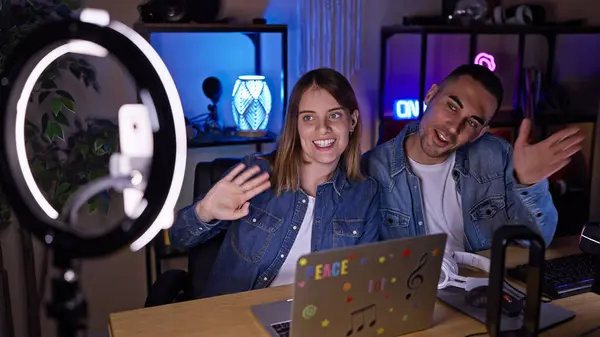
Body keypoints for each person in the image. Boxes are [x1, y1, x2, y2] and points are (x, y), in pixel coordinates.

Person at [169, 68, 382, 298]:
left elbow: (361, 283)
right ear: (296, 125)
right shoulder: (255, 174)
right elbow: (178, 238)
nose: (322, 128)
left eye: (334, 115)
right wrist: (205, 211)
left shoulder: (365, 194)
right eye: (308, 117)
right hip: (235, 320)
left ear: (352, 121)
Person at [362, 64, 584, 253]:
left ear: (479, 132)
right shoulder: (370, 170)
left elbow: (537, 241)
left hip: (481, 290)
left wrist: (528, 182)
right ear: (430, 95)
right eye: (451, 106)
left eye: (471, 122)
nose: (453, 126)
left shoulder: (497, 156)